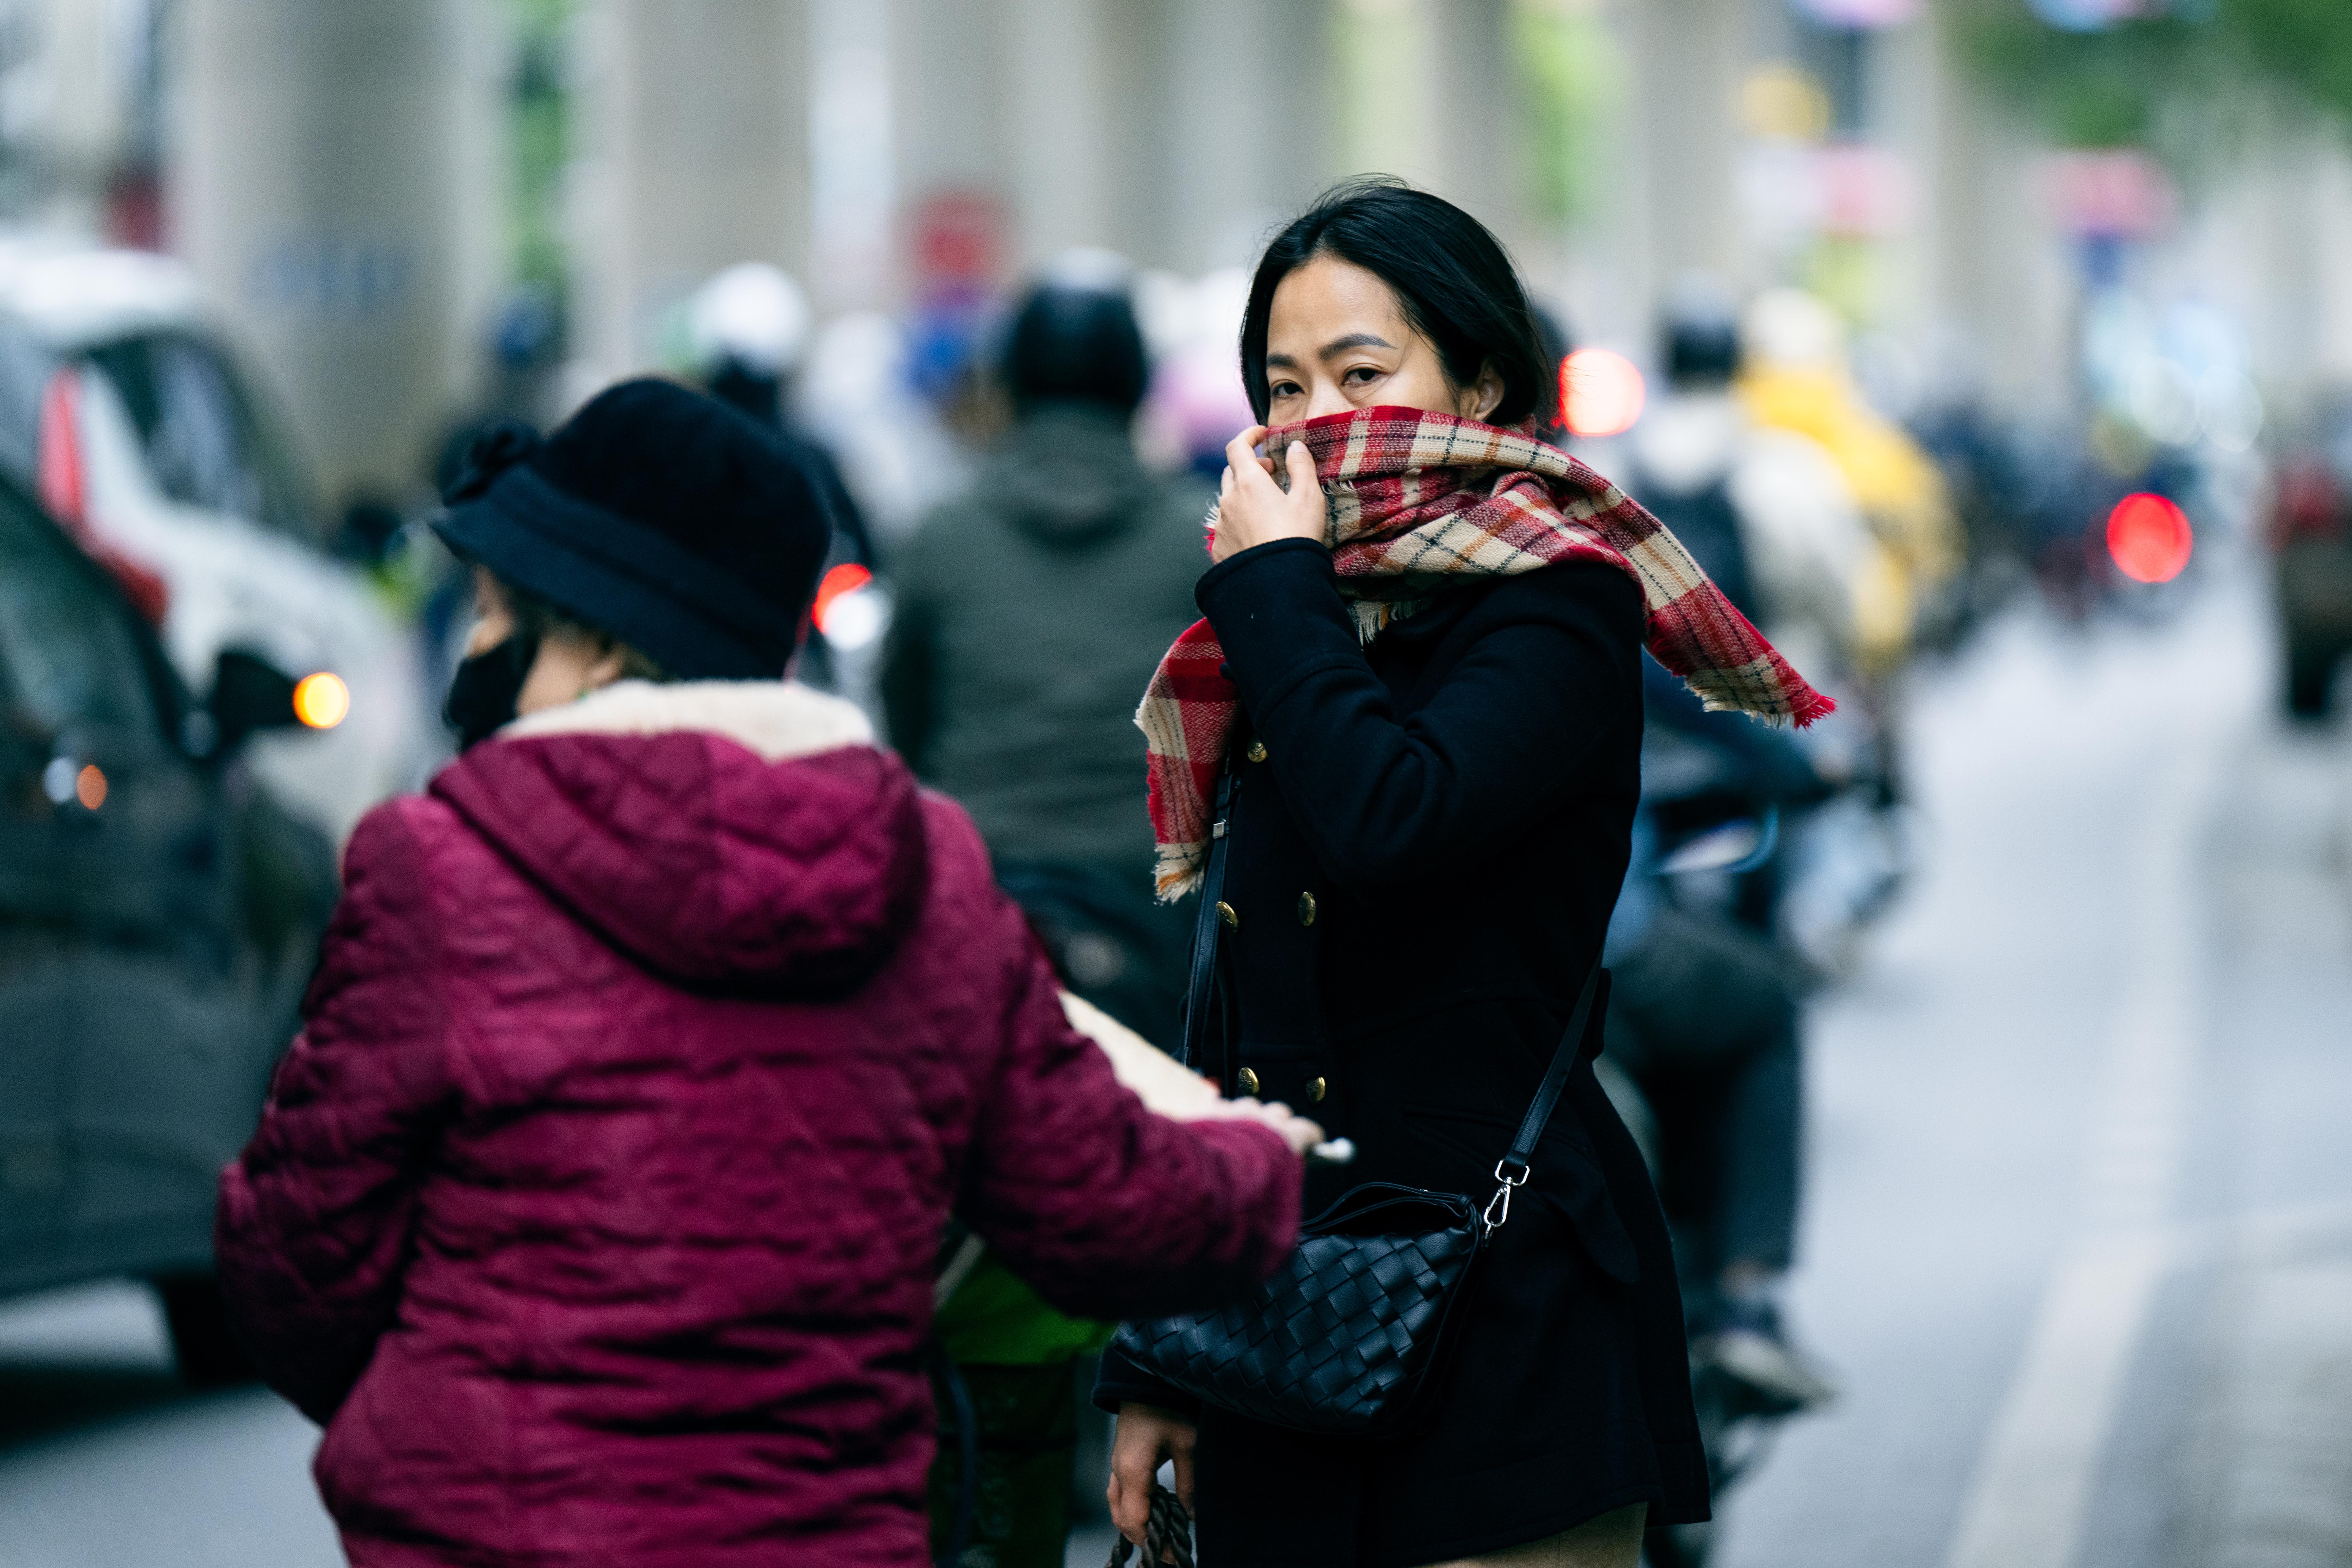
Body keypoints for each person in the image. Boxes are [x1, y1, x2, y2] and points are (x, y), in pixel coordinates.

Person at [212, 378, 1322, 1568]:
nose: (474, 650)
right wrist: (1273, 1164)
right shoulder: (924, 873)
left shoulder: (438, 868)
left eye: (496, 614)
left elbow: (296, 1268)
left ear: (597, 643)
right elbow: (1097, 1204)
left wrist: (464, 1410)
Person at [1098, 181, 1831, 1568]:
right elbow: (1227, 1009)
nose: (1313, 415)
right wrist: (1160, 1359)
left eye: (1359, 372)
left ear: (1480, 378)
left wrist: (1279, 594)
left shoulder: (1554, 597)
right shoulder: (1295, 608)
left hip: (1503, 1312)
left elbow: (1395, 822)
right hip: (1280, 1309)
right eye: (1282, 382)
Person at [882, 275, 1207, 1044]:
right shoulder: (1196, 542)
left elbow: (906, 723)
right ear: (1137, 385)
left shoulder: (942, 536)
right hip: (1158, 913)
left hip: (979, 901)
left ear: (1011, 385)